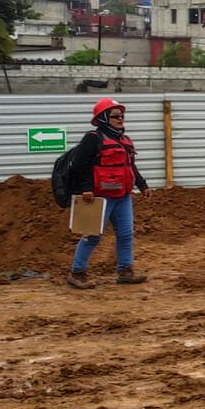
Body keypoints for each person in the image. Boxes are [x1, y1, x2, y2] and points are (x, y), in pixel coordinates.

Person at [67, 97, 151, 289]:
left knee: (126, 234)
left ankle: (125, 272)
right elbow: (80, 165)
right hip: (98, 197)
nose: (120, 119)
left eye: (122, 116)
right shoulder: (93, 139)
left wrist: (143, 186)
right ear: (103, 118)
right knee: (92, 235)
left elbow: (130, 166)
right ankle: (77, 273)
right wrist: (85, 189)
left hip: (122, 197)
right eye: (115, 116)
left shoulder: (124, 140)